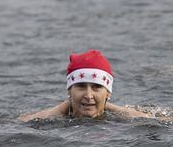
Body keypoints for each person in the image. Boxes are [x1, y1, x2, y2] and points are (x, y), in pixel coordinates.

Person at [19, 50, 153, 121]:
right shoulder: (55, 120)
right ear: (69, 90)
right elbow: (21, 122)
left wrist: (108, 106)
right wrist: (61, 108)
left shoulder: (120, 120)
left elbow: (149, 119)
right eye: (81, 86)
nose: (88, 96)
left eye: (96, 87)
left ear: (108, 93)